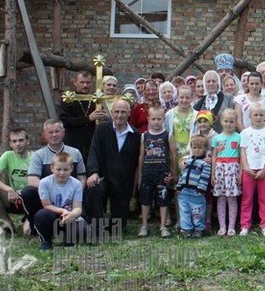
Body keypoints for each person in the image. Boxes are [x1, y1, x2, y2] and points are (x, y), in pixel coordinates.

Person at [21, 119, 87, 234]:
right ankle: (34, 223)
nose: (54, 135)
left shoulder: (75, 153)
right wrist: (53, 190)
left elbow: (82, 177)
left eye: (57, 131)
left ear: (64, 132)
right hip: (46, 198)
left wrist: (75, 195)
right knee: (27, 192)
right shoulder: (39, 155)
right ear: (45, 134)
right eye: (50, 132)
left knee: (81, 231)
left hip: (71, 198)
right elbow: (32, 180)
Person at [85, 98, 141, 229]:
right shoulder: (102, 129)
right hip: (103, 177)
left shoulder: (136, 135)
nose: (119, 115)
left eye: (123, 112)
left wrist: (135, 182)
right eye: (116, 111)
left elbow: (138, 161)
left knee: (118, 227)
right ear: (111, 112)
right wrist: (93, 173)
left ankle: (110, 223)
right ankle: (96, 226)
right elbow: (94, 152)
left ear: (129, 113)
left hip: (123, 182)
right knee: (94, 188)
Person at [136, 106, 177, 238]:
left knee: (163, 199)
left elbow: (173, 155)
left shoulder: (168, 135)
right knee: (145, 200)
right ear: (148, 119)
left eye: (159, 119)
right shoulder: (144, 136)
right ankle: (144, 225)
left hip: (162, 172)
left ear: (163, 119)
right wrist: (140, 175)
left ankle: (163, 226)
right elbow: (141, 156)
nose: (156, 122)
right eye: (153, 119)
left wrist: (173, 172)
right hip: (148, 172)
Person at [34, 152, 88, 251]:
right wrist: (63, 211)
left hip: (69, 217)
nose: (62, 173)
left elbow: (78, 207)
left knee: (83, 227)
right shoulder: (44, 183)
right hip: (53, 215)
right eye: (58, 169)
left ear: (71, 168)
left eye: (66, 169)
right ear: (52, 168)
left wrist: (72, 214)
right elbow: (46, 205)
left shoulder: (76, 184)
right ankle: (46, 241)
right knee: (41, 215)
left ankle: (70, 240)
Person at [0, 128, 32, 234]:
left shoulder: (35, 157)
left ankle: (30, 218)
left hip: (31, 199)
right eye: (14, 141)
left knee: (27, 232)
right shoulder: (7, 155)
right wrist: (9, 189)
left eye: (21, 140)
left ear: (28, 141)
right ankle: (8, 223)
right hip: (14, 197)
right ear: (10, 144)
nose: (17, 144)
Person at [239, 104, 265, 237]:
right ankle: (245, 225)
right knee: (247, 198)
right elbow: (243, 151)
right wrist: (246, 168)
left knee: (264, 199)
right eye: (255, 115)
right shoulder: (245, 133)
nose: (258, 117)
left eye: (261, 115)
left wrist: (264, 169)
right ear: (250, 117)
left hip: (263, 171)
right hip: (248, 171)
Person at [58, 70, 104, 160]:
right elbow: (65, 121)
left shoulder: (95, 100)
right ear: (75, 82)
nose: (85, 85)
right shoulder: (68, 99)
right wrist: (88, 118)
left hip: (91, 142)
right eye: (82, 82)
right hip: (73, 141)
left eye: (88, 82)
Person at [210, 109, 241, 236]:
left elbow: (242, 156)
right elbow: (214, 156)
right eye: (226, 121)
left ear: (236, 122)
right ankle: (222, 227)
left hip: (233, 170)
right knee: (221, 198)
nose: (228, 124)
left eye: (231, 121)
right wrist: (212, 173)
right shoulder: (217, 138)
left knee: (232, 198)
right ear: (221, 121)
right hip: (219, 170)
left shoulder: (239, 137)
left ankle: (232, 227)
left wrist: (241, 173)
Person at [176, 134, 211, 238]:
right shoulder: (187, 160)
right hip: (184, 192)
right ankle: (186, 229)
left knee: (198, 212)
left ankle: (199, 228)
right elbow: (182, 174)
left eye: (200, 148)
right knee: (184, 211)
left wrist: (201, 189)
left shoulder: (205, 163)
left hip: (197, 192)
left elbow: (205, 177)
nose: (197, 150)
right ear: (191, 148)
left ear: (205, 149)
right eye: (194, 147)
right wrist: (179, 186)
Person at [164, 85, 197, 164]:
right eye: (181, 97)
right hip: (174, 152)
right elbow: (166, 133)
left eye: (187, 97)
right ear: (177, 97)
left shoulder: (196, 115)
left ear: (191, 99)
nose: (184, 100)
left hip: (191, 152)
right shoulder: (169, 114)